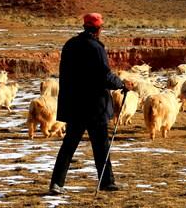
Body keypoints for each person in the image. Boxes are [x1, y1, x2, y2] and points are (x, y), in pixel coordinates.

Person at [49, 13, 132, 195]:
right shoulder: (96, 48)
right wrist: (122, 84)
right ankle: (107, 182)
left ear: (85, 26)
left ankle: (56, 183)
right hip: (95, 106)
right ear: (98, 29)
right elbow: (104, 75)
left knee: (69, 145)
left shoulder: (70, 45)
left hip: (74, 105)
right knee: (101, 145)